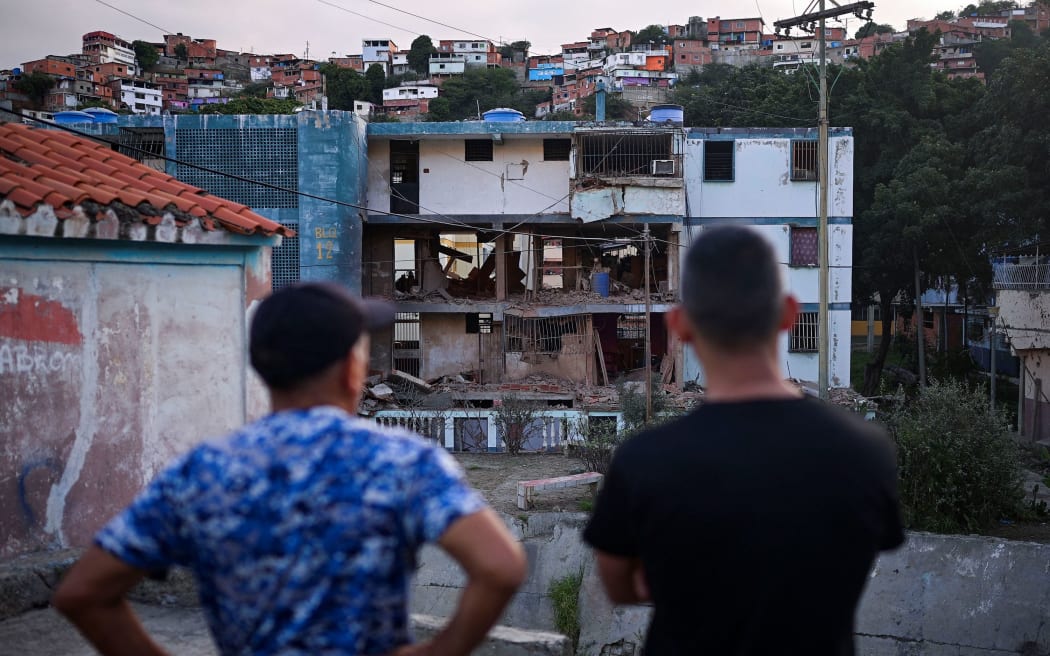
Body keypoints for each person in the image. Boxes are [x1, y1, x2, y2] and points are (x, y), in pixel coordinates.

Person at [54, 282, 526, 656]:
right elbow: (500, 566)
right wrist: (441, 651)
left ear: (263, 369)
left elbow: (83, 594)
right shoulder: (400, 460)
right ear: (350, 371)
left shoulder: (202, 471)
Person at [583, 226, 904, 655]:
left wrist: (685, 583)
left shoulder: (644, 461)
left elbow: (618, 583)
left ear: (679, 324)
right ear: (789, 313)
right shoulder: (866, 451)